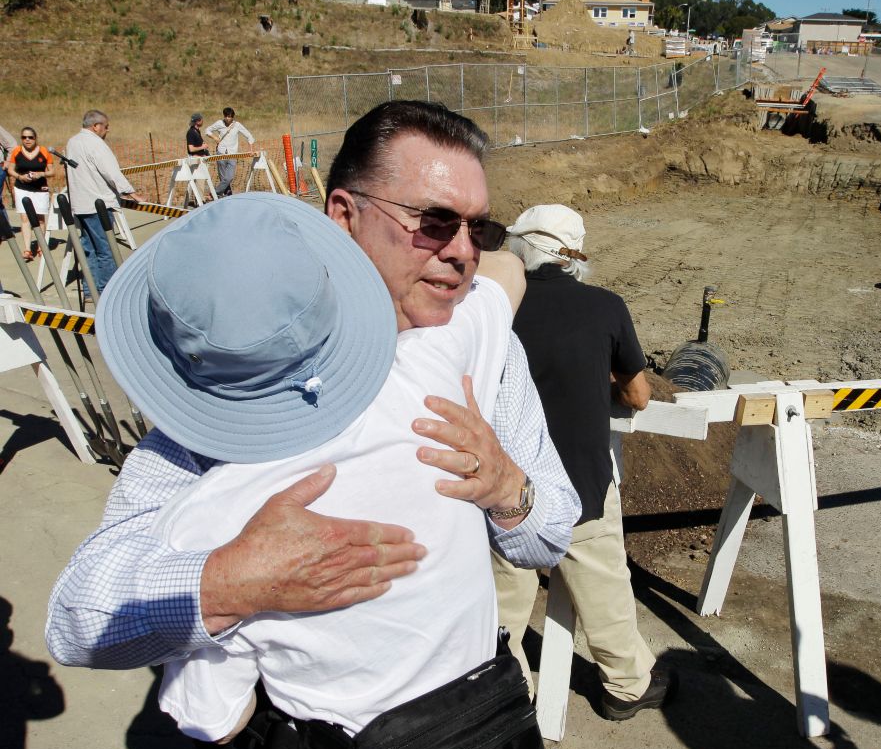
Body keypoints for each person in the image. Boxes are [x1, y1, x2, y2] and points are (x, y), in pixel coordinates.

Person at [46, 102, 578, 692]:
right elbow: (78, 620)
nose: (462, 252)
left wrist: (507, 488)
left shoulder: (487, 349)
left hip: (469, 713)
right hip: (309, 729)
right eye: (434, 222)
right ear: (345, 215)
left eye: (478, 229)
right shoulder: (246, 369)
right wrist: (232, 581)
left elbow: (551, 533)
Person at [94, 192, 546, 749]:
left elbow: (211, 719)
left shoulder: (208, 522)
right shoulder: (432, 363)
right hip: (490, 730)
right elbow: (506, 275)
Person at [492, 204, 676, 721]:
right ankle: (627, 686)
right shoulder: (604, 306)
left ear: (518, 248)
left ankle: (506, 699)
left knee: (504, 602)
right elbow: (638, 395)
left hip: (508, 485)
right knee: (604, 593)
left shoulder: (491, 306)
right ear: (573, 257)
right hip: (582, 480)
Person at [64, 110, 146, 300]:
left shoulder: (72, 142)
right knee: (106, 249)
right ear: (96, 126)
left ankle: (90, 290)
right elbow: (111, 172)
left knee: (89, 248)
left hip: (80, 204)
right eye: (106, 126)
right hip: (98, 205)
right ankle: (107, 291)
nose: (107, 130)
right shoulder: (95, 144)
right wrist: (132, 193)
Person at [5, 126, 53, 261]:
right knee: (24, 218)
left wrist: (41, 174)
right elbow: (10, 169)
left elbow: (52, 171)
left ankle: (41, 246)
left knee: (40, 218)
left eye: (30, 137)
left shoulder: (44, 151)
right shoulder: (17, 151)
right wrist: (20, 177)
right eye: (24, 137)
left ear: (35, 138)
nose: (27, 140)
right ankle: (27, 249)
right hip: (22, 188)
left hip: (40, 188)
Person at [205, 107, 255, 197]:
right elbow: (207, 130)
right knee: (223, 178)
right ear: (224, 116)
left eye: (230, 117)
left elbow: (249, 136)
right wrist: (214, 137)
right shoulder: (219, 123)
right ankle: (227, 195)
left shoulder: (237, 125)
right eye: (226, 116)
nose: (228, 118)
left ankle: (214, 193)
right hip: (221, 153)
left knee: (229, 177)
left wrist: (251, 149)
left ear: (233, 117)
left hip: (232, 154)